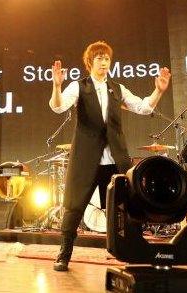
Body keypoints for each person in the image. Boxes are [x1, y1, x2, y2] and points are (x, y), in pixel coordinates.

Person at [48, 41, 171, 271]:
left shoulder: (117, 88)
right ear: (90, 62)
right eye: (99, 59)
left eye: (107, 59)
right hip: (85, 159)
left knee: (123, 207)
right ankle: (64, 254)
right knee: (74, 207)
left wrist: (159, 91)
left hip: (114, 158)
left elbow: (143, 108)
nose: (104, 63)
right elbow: (58, 106)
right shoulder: (79, 86)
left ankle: (131, 251)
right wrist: (56, 87)